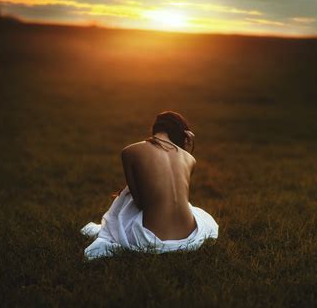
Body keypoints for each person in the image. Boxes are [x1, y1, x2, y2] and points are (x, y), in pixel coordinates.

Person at [81, 111, 219, 260]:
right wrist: (187, 150)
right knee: (191, 209)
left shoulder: (129, 151)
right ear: (182, 134)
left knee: (126, 195)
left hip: (151, 239)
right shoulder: (190, 159)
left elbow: (140, 203)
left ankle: (111, 230)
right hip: (190, 236)